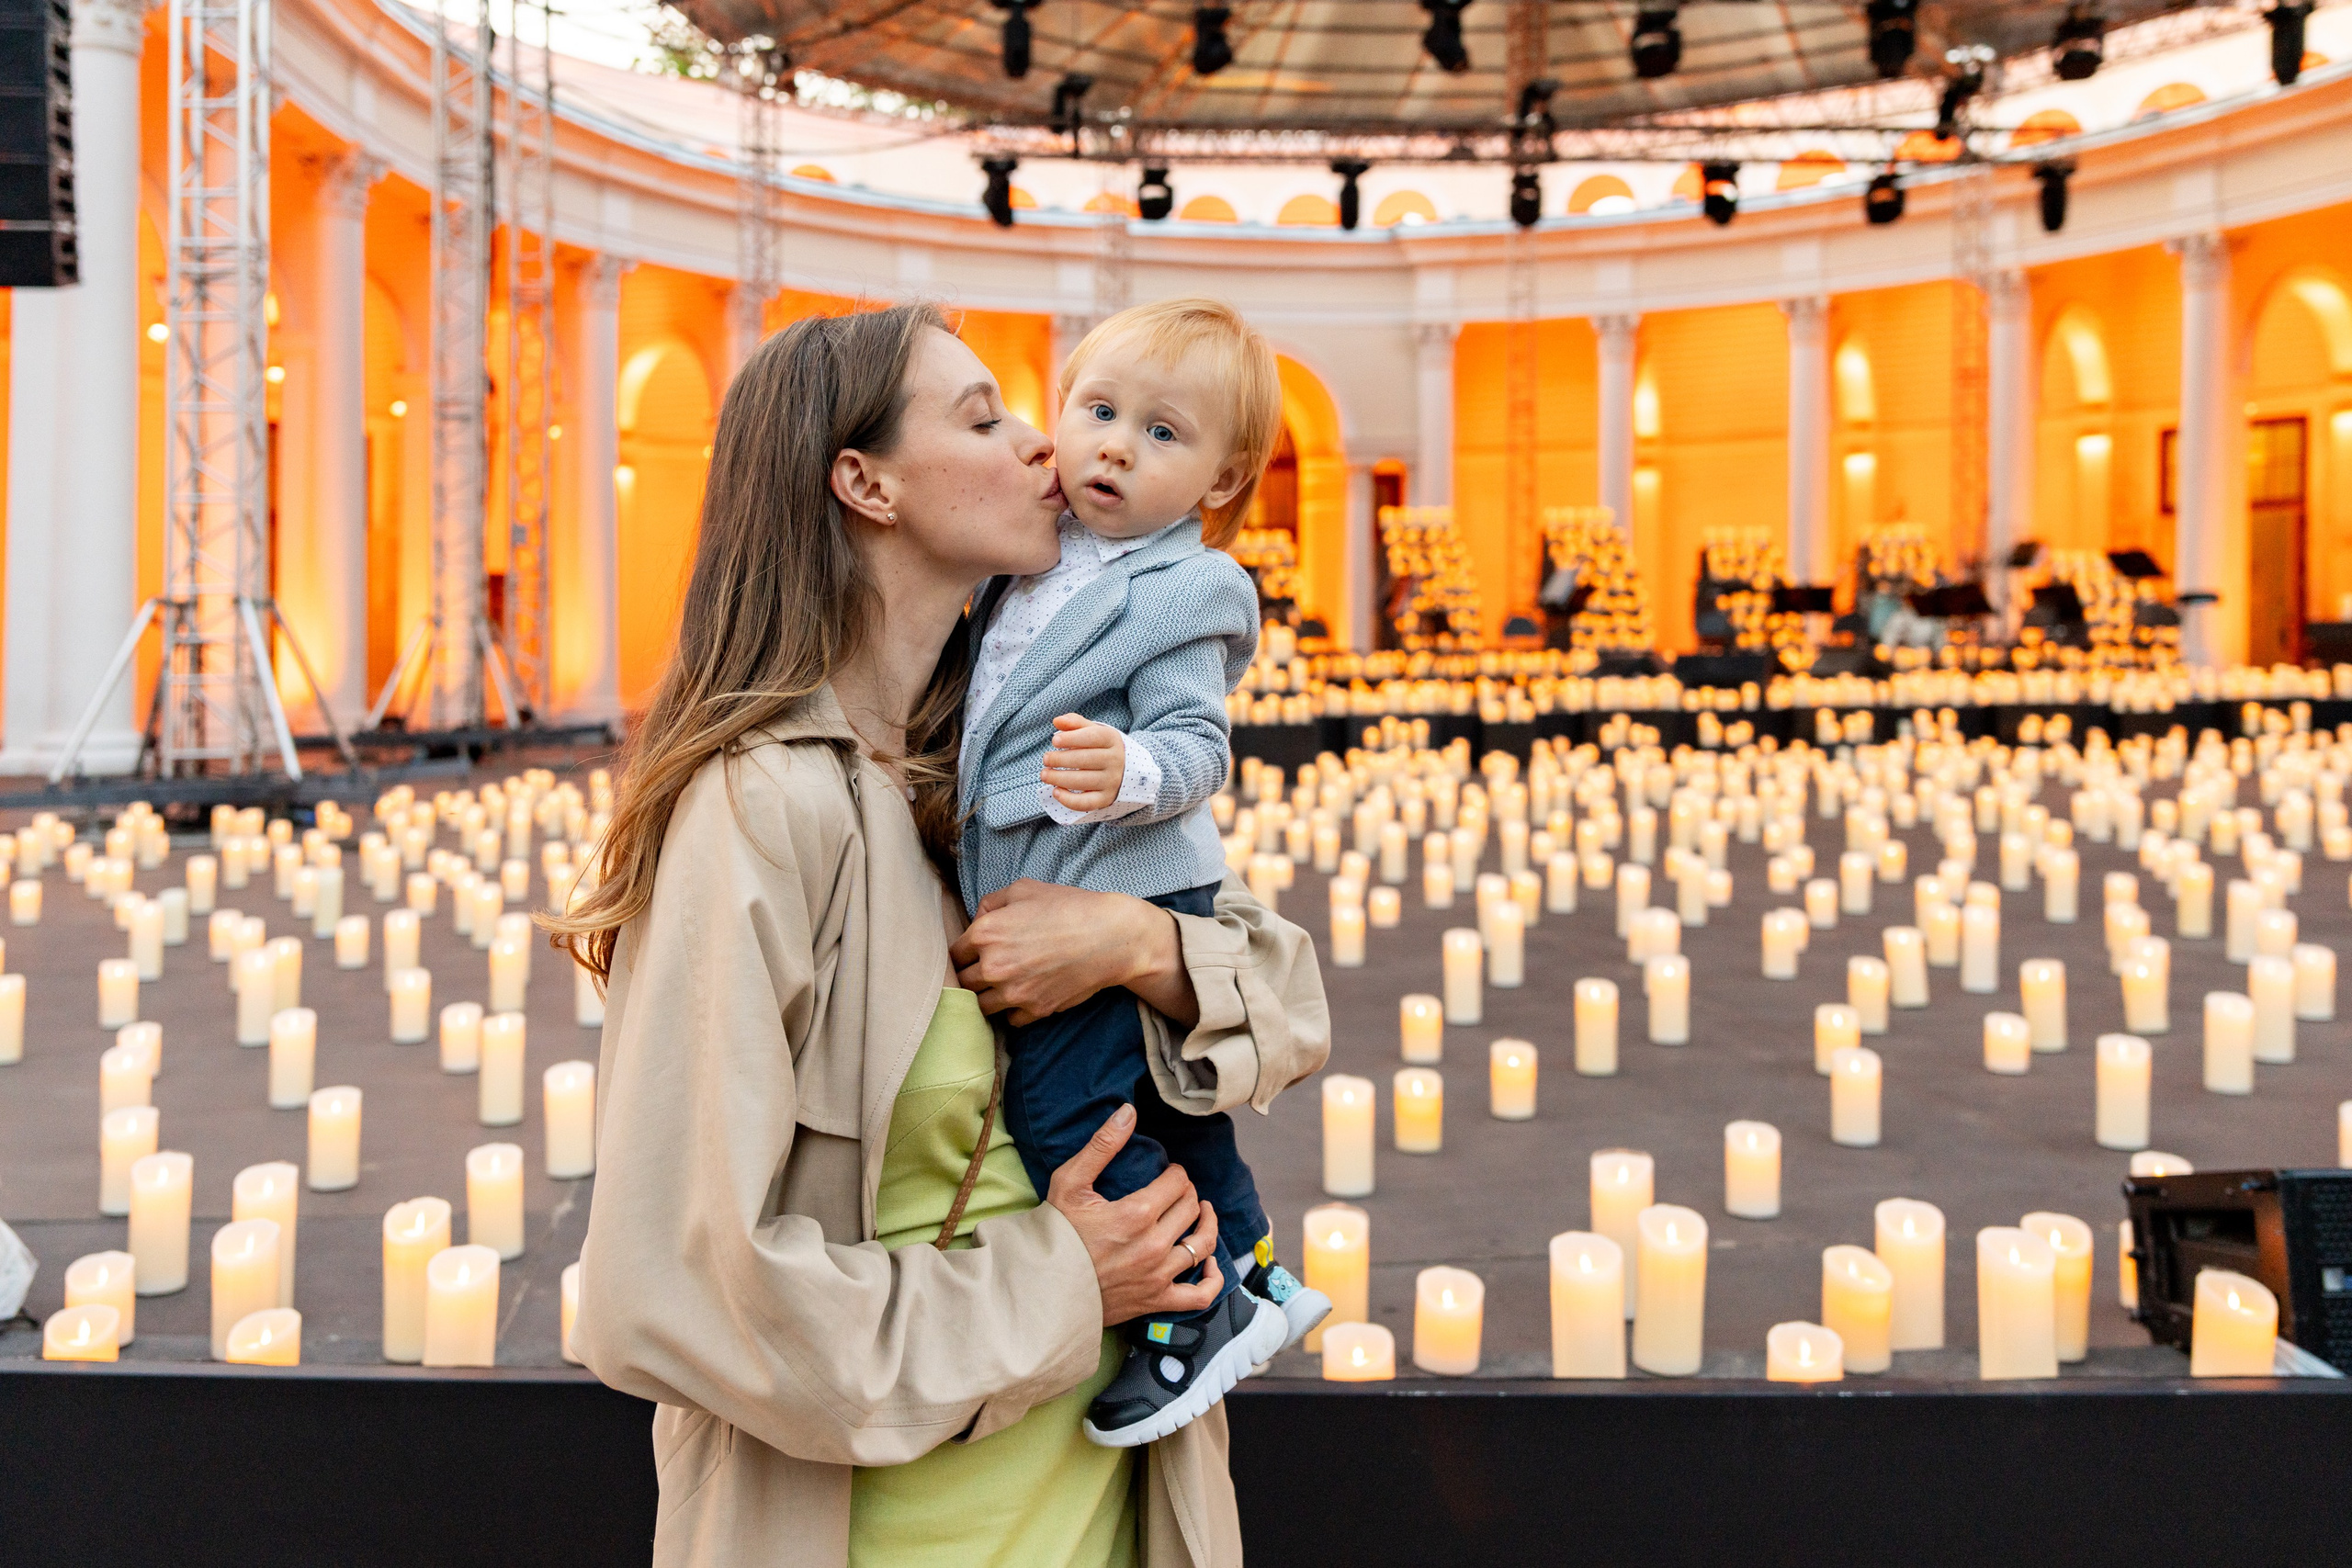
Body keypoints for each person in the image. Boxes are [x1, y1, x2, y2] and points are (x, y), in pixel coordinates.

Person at [554, 301, 1328, 1568]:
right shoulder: (764, 805)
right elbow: (672, 1290)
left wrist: (1131, 944)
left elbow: (1289, 1005)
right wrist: (1070, 1278)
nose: (1043, 444)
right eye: (982, 419)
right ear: (867, 484)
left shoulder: (1002, 754)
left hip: (1114, 1521)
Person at [956, 298, 1328, 1449]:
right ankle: (1254, 1263)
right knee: (1168, 1100)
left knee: (1068, 1109)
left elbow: (1200, 746)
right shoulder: (1029, 551)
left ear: (1222, 480)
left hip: (1121, 874)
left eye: (1162, 434)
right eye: (1098, 410)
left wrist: (1129, 769)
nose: (1114, 446)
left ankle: (1191, 1306)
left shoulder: (1187, 588)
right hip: (1068, 866)